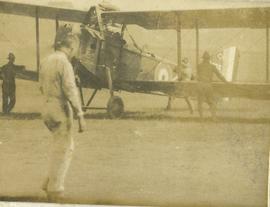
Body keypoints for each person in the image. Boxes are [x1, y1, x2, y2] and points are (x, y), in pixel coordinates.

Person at [39, 25, 86, 202]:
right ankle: (55, 189)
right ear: (70, 47)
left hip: (46, 107)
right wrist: (80, 115)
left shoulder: (46, 60)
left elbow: (41, 85)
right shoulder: (64, 62)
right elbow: (70, 90)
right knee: (65, 148)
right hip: (60, 108)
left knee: (57, 145)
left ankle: (48, 181)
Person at [197, 51, 228, 119]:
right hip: (208, 85)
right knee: (211, 101)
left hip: (200, 85)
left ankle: (201, 118)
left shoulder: (199, 66)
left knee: (200, 102)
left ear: (203, 58)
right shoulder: (212, 66)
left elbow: (198, 76)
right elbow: (219, 75)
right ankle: (213, 117)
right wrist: (226, 82)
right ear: (209, 59)